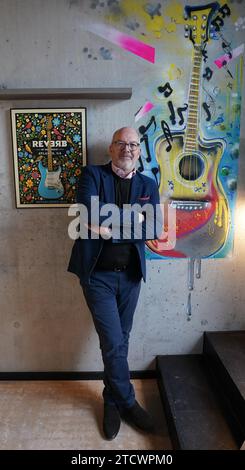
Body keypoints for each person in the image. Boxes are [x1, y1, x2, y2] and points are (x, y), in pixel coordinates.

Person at [68, 127, 162, 440]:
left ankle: (111, 400)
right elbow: (88, 216)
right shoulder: (91, 175)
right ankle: (128, 402)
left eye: (133, 144)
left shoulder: (149, 184)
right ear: (110, 148)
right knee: (112, 341)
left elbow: (155, 227)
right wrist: (133, 220)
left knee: (121, 340)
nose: (128, 148)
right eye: (121, 143)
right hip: (97, 276)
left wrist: (110, 227)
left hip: (131, 276)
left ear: (139, 150)